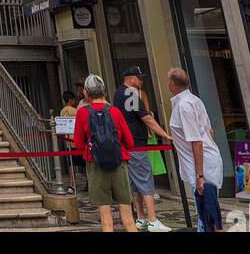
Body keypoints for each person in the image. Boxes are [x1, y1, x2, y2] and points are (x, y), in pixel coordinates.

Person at [73, 73, 137, 233]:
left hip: (96, 164)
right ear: (104, 92)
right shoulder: (115, 111)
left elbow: (79, 143)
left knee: (106, 218)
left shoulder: (82, 113)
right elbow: (129, 142)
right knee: (128, 219)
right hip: (119, 162)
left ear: (86, 93)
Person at [112, 66, 173, 232]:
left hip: (126, 144)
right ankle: (153, 219)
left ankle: (141, 217)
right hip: (136, 144)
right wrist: (165, 134)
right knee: (145, 181)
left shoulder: (119, 92)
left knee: (136, 184)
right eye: (140, 78)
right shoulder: (130, 93)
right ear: (132, 79)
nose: (141, 81)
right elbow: (146, 118)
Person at [167, 67, 225, 233]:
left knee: (210, 218)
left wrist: (200, 175)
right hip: (205, 161)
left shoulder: (184, 106)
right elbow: (209, 131)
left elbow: (197, 141)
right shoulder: (193, 100)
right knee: (206, 216)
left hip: (202, 165)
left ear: (172, 84)